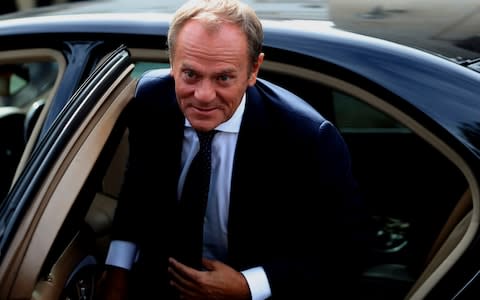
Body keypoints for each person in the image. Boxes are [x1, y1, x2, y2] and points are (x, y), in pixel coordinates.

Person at [96, 0, 373, 299]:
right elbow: (138, 192)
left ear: (254, 70)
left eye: (223, 78)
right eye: (190, 74)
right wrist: (118, 273)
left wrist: (248, 286)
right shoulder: (153, 100)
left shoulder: (307, 137)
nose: (203, 96)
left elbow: (346, 250)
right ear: (172, 64)